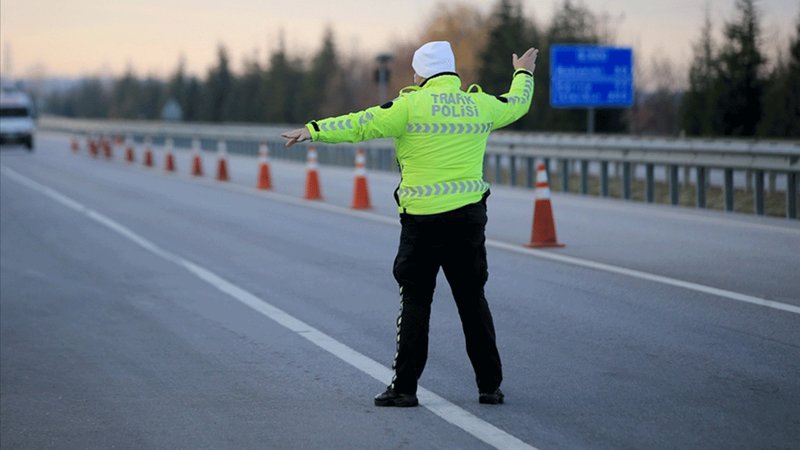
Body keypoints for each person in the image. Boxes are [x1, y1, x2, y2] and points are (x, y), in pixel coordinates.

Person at [282, 41, 538, 407]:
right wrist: (523, 73)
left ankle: (404, 388)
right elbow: (518, 104)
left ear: (422, 73)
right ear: (450, 71)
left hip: (422, 223)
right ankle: (489, 386)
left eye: (416, 71)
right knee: (471, 300)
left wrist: (314, 130)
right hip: (467, 220)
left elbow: (361, 124)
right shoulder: (479, 104)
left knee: (416, 301)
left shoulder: (409, 105)